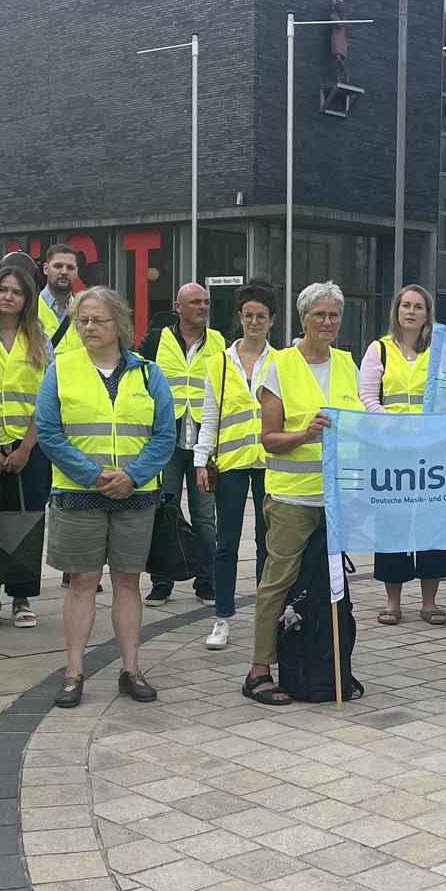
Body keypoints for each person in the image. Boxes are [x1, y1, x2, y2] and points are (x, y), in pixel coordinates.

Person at [33, 286, 176, 709]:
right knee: (82, 582)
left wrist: (132, 476)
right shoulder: (61, 369)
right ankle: (73, 672)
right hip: (79, 494)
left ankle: (131, 669)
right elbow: (49, 432)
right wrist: (94, 476)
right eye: (82, 320)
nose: (89, 327)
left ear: (121, 324)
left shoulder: (149, 373)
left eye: (98, 319)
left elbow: (164, 434)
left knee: (128, 582)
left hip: (136, 494)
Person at [246, 282, 363, 706]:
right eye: (319, 315)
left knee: (331, 586)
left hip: (335, 499)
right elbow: (269, 439)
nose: (328, 322)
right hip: (292, 496)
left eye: (334, 315)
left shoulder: (349, 364)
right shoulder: (279, 365)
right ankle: (260, 668)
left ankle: (326, 662)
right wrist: (305, 433)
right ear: (302, 319)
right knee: (277, 583)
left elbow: (364, 423)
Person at [360, 285, 446, 624]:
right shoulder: (379, 350)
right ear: (396, 311)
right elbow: (368, 398)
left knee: (434, 522)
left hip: (432, 451)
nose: (411, 312)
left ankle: (430, 602)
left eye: (418, 306)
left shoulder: (441, 352)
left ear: (427, 313)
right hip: (393, 451)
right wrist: (395, 428)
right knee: (393, 523)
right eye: (406, 306)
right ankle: (393, 601)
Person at [195, 279, 278, 651]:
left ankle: (268, 614)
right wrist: (201, 460)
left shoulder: (281, 361)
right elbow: (209, 416)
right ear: (239, 317)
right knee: (225, 541)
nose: (254, 322)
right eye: (248, 316)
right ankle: (222, 618)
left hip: (270, 460)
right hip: (229, 460)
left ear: (272, 320)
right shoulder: (219, 363)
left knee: (268, 540)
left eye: (261, 316)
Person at [0, 264, 52, 629]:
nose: (8, 296)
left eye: (16, 292)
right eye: (2, 289)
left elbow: (47, 400)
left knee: (27, 518)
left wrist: (24, 449)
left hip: (29, 445)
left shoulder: (39, 338)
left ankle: (21, 597)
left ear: (27, 299)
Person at [140, 282, 223, 606]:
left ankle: (207, 581)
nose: (203, 307)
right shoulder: (155, 340)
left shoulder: (219, 343)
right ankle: (162, 580)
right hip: (166, 439)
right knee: (164, 511)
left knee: (205, 517)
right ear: (178, 307)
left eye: (206, 302)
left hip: (204, 440)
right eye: (195, 302)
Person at [35, 244, 83, 353]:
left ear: (76, 273)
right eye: (58, 266)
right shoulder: (29, 309)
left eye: (70, 267)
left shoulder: (84, 311)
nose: (64, 272)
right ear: (45, 269)